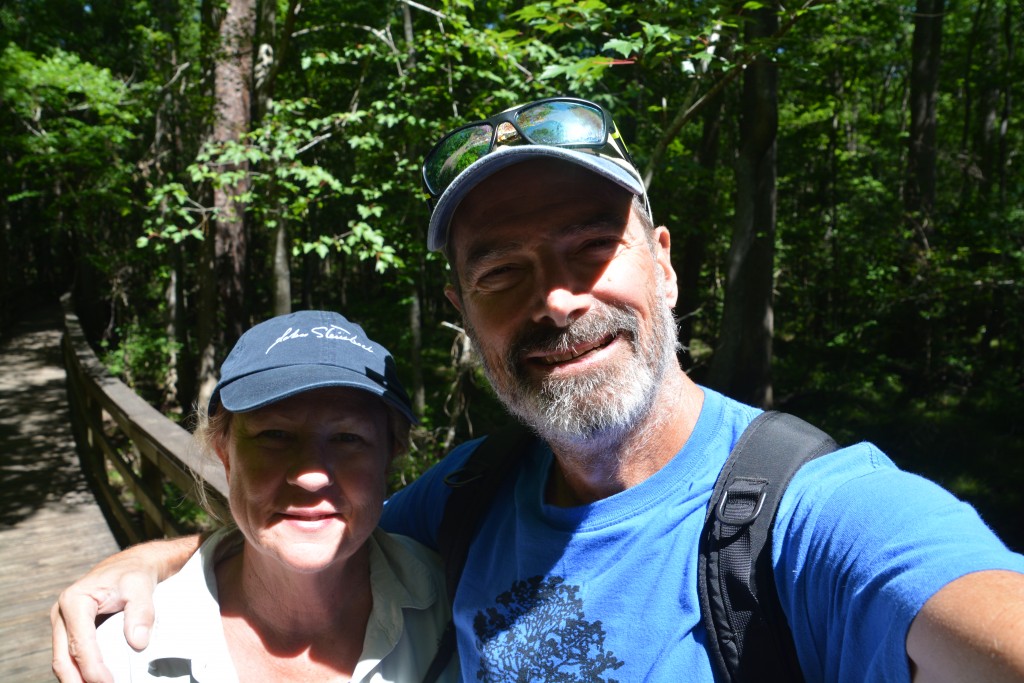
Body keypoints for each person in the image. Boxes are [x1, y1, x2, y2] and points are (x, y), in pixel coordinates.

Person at [54, 97, 1024, 683]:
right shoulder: (470, 496)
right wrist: (171, 556)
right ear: (462, 310)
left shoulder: (814, 510)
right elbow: (319, 525)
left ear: (665, 265)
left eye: (589, 247)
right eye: (500, 271)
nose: (555, 297)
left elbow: (980, 612)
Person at [91, 310, 458, 682]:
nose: (311, 476)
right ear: (225, 453)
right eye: (275, 435)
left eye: (348, 438)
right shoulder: (122, 655)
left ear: (389, 456)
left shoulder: (463, 609)